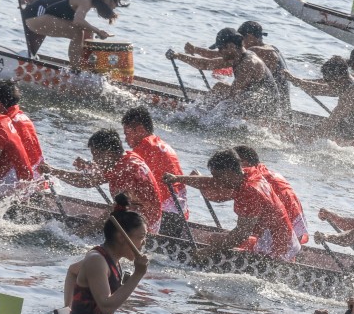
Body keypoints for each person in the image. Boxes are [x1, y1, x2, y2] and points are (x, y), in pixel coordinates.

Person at [163, 149, 299, 261]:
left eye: (218, 176)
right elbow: (212, 181)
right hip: (276, 238)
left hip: (278, 248)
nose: (217, 182)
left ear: (229, 172)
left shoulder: (250, 192)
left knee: (217, 242)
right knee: (215, 238)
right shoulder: (248, 173)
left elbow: (241, 234)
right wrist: (178, 178)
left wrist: (206, 252)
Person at [41, 129, 162, 232]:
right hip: (132, 218)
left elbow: (117, 210)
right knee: (83, 218)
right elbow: (87, 181)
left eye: (96, 155)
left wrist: (84, 232)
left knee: (85, 229)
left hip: (143, 227)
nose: (95, 159)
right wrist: (53, 171)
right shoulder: (124, 159)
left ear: (108, 153)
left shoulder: (128, 170)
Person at [169, 28, 279, 118]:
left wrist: (209, 106)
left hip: (266, 107)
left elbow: (233, 95)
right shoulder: (238, 57)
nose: (219, 52)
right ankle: (196, 113)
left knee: (222, 89)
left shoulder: (248, 63)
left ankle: (198, 115)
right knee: (220, 88)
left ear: (231, 46)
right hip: (251, 99)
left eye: (221, 48)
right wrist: (178, 56)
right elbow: (205, 64)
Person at [118, 107, 189, 238]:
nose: (125, 139)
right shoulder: (160, 144)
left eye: (127, 134)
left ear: (139, 129)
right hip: (180, 216)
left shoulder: (144, 147)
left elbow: (119, 170)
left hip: (165, 217)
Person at [21, 0, 127, 66]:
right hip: (33, 18)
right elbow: (78, 21)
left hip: (38, 15)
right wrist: (98, 31)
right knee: (77, 33)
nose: (116, 5)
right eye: (116, 1)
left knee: (87, 32)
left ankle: (85, 65)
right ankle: (76, 71)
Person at [286, 55, 354, 143]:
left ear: (339, 78)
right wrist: (296, 80)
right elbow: (318, 89)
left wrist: (304, 140)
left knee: (318, 130)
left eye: (328, 80)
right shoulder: (350, 82)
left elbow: (330, 123)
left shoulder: (353, 93)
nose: (327, 83)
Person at [233, 145, 309, 244]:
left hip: (284, 242)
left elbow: (243, 231)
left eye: (230, 164)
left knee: (219, 239)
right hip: (292, 237)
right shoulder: (264, 173)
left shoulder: (254, 182)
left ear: (244, 163)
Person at [237, 21, 291, 117]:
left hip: (274, 110)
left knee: (222, 88)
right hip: (281, 107)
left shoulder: (258, 51)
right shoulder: (271, 48)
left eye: (240, 40)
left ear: (249, 37)